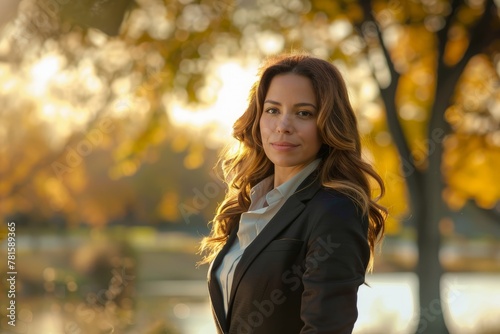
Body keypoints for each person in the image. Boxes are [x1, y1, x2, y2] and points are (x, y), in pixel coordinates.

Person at [199, 53, 387, 334]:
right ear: (258, 118)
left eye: (303, 113)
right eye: (272, 110)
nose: (283, 125)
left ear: (327, 124)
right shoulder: (249, 205)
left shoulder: (336, 211)